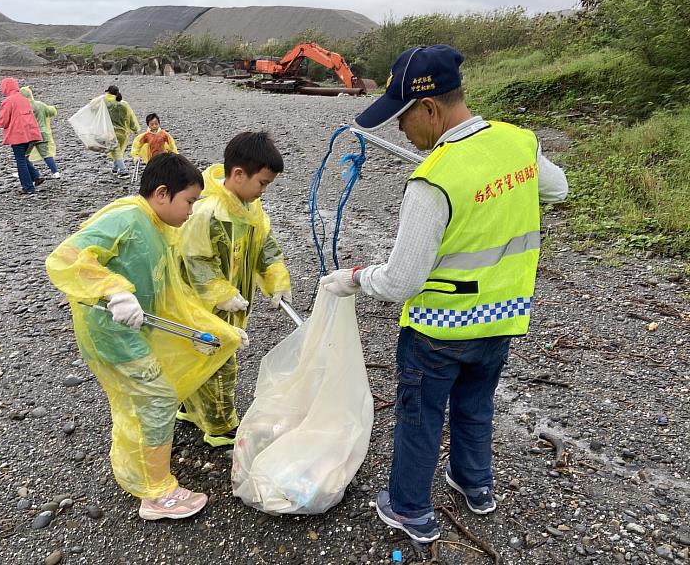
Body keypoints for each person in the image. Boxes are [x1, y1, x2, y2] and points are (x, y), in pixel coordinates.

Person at [320, 45, 569, 543]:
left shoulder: (432, 181)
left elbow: (402, 281)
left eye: (401, 117)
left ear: (430, 109)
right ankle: (475, 484)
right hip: (502, 320)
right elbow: (555, 189)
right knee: (476, 405)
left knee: (419, 415)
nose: (399, 130)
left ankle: (410, 509)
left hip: (438, 330)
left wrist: (353, 277)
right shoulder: (519, 142)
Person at [45, 153, 245, 520]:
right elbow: (65, 256)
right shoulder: (127, 217)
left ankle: (143, 475)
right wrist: (113, 290)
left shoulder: (159, 227)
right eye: (189, 202)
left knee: (144, 403)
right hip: (110, 335)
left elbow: (173, 295)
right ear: (163, 193)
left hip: (131, 333)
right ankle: (155, 493)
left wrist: (214, 331)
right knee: (154, 401)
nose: (191, 211)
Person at [178, 131, 292, 447]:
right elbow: (196, 260)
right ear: (239, 174)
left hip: (231, 304)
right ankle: (220, 427)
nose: (263, 191)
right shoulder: (207, 211)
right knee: (218, 362)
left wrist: (277, 281)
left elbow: (265, 247)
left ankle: (187, 407)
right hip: (204, 307)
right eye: (263, 183)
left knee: (199, 357)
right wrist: (221, 293)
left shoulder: (248, 209)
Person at [0, 78, 44, 196]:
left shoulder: (8, 101)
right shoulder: (24, 99)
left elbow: (3, 121)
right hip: (30, 133)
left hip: (18, 134)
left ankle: (28, 187)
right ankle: (36, 176)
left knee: (20, 160)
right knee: (23, 157)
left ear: (6, 87)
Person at [20, 86, 60, 178]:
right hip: (43, 133)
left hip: (29, 135)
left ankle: (27, 172)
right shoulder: (40, 104)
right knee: (46, 154)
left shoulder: (23, 107)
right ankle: (55, 172)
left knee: (24, 156)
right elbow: (52, 111)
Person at [103, 85, 140, 177]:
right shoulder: (124, 104)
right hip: (123, 133)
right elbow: (131, 118)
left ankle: (123, 170)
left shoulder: (104, 103)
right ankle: (115, 168)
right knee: (118, 150)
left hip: (111, 132)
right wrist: (135, 129)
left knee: (115, 150)